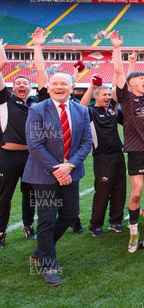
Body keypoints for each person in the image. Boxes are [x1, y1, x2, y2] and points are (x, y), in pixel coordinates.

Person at [24, 73, 93, 285]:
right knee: (46, 219)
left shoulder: (82, 110)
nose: (59, 87)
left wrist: (70, 165)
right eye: (55, 83)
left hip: (71, 171)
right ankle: (48, 266)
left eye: (64, 84)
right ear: (47, 86)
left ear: (72, 88)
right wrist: (58, 170)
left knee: (70, 214)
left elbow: (86, 142)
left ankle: (40, 252)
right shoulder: (37, 109)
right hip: (43, 174)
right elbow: (35, 144)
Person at [111, 31, 144, 253]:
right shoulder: (126, 97)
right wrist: (117, 49)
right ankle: (133, 231)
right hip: (135, 150)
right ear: (131, 83)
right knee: (135, 192)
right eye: (140, 79)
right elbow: (117, 71)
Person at [0, 38, 40, 247]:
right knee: (4, 195)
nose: (22, 85)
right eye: (18, 83)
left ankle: (28, 225)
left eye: (25, 83)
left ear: (29, 87)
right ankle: (1, 232)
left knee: (30, 194)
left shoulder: (35, 104)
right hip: (8, 156)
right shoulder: (5, 99)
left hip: (31, 156)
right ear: (12, 87)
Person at [80, 76, 126, 236]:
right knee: (102, 192)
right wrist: (91, 87)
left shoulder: (113, 110)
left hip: (118, 156)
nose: (107, 97)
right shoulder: (90, 112)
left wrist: (130, 65)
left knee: (120, 190)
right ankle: (96, 225)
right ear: (96, 96)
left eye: (108, 95)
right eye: (104, 95)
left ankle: (115, 222)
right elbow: (81, 107)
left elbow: (118, 87)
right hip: (102, 158)